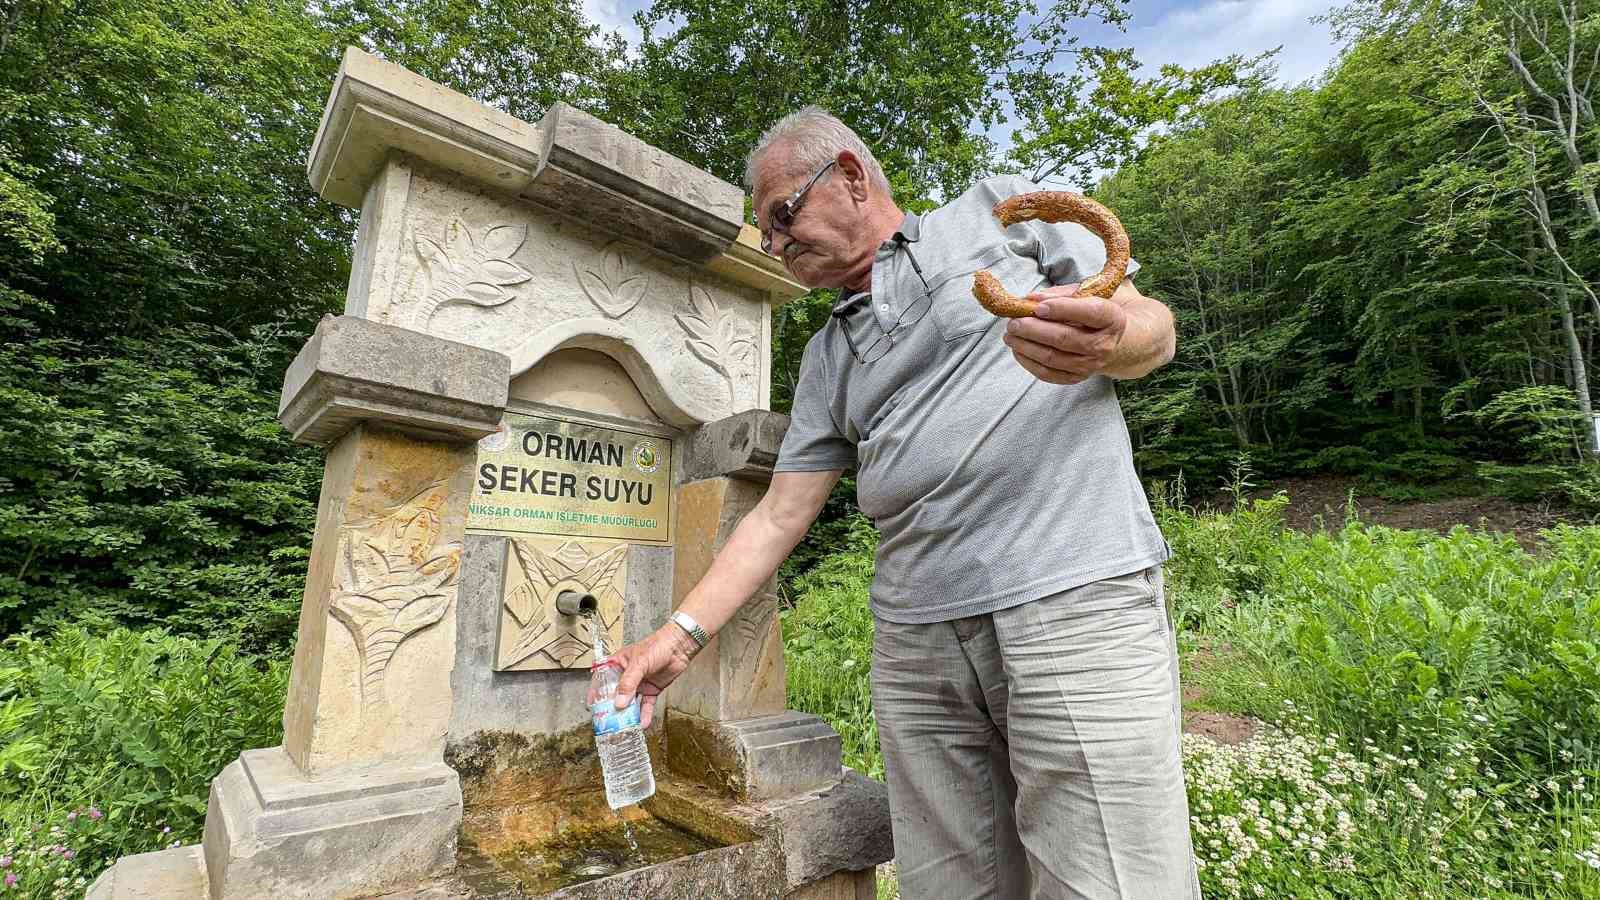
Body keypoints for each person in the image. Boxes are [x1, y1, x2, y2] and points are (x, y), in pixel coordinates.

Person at [607, 106, 1199, 899]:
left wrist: (1112, 341)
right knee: (950, 886)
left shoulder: (1000, 212)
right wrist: (676, 640)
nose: (778, 246)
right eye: (769, 235)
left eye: (784, 216)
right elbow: (779, 515)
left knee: (1112, 880)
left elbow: (1152, 328)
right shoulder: (825, 355)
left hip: (1071, 599)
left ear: (849, 176)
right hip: (916, 645)